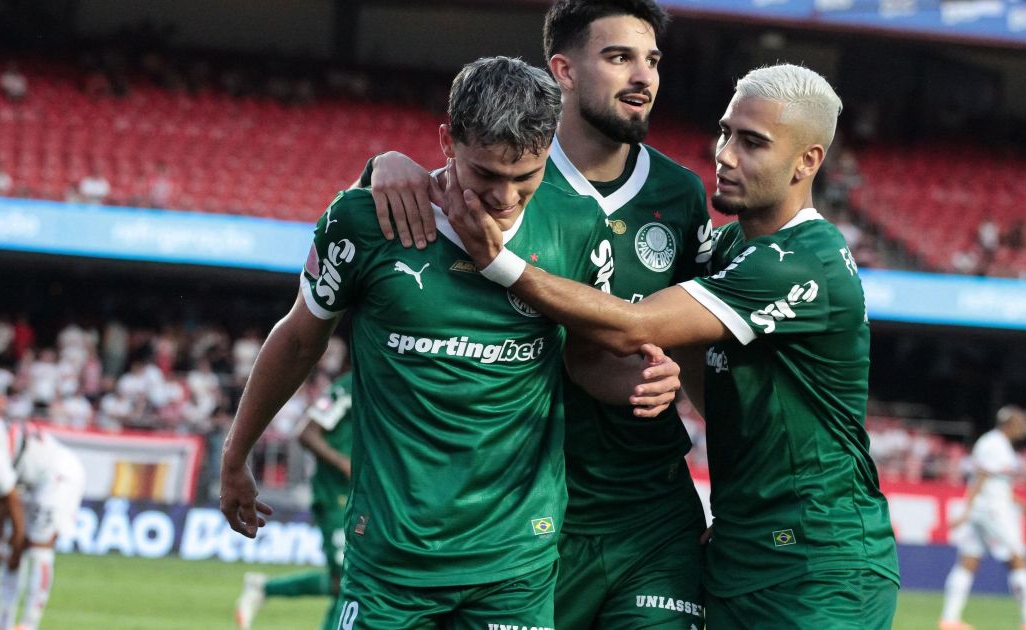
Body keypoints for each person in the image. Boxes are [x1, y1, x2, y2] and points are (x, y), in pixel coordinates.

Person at [218, 56, 680, 630]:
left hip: (515, 561)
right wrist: (236, 453)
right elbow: (296, 341)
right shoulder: (366, 221)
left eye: (526, 176)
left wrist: (640, 380)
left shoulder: (579, 226)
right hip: (389, 560)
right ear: (446, 142)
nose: (505, 196)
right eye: (485, 174)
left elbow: (584, 358)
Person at [444, 63, 901, 628]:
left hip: (821, 564)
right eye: (726, 133)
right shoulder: (729, 251)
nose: (725, 155)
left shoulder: (802, 261)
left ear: (807, 161)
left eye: (753, 142)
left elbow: (632, 326)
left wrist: (500, 264)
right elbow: (712, 385)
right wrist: (393, 168)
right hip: (743, 549)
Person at [365, 2, 712, 626]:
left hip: (651, 507)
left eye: (652, 60)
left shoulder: (681, 194)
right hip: (531, 520)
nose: (643, 76)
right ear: (564, 70)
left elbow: (699, 350)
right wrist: (382, 164)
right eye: (619, 57)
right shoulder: (499, 182)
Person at [0, 392, 85, 630]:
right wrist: (4, 541)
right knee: (11, 550)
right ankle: (2, 623)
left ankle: (29, 624)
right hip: (31, 481)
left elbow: (11, 499)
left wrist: (17, 541)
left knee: (39, 548)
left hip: (57, 476)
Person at [236, 370, 356, 630]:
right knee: (346, 579)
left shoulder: (388, 389)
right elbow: (306, 433)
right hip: (335, 494)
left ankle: (263, 588)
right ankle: (265, 588)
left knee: (350, 579)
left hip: (361, 495)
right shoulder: (348, 387)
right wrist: (342, 462)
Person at [939, 406, 1026, 630]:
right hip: (992, 511)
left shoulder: (998, 444)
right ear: (1009, 423)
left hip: (986, 508)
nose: (1023, 427)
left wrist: (1022, 504)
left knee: (969, 559)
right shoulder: (993, 444)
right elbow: (981, 477)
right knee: (1018, 557)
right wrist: (966, 510)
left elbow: (998, 484)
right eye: (1020, 423)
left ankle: (950, 619)